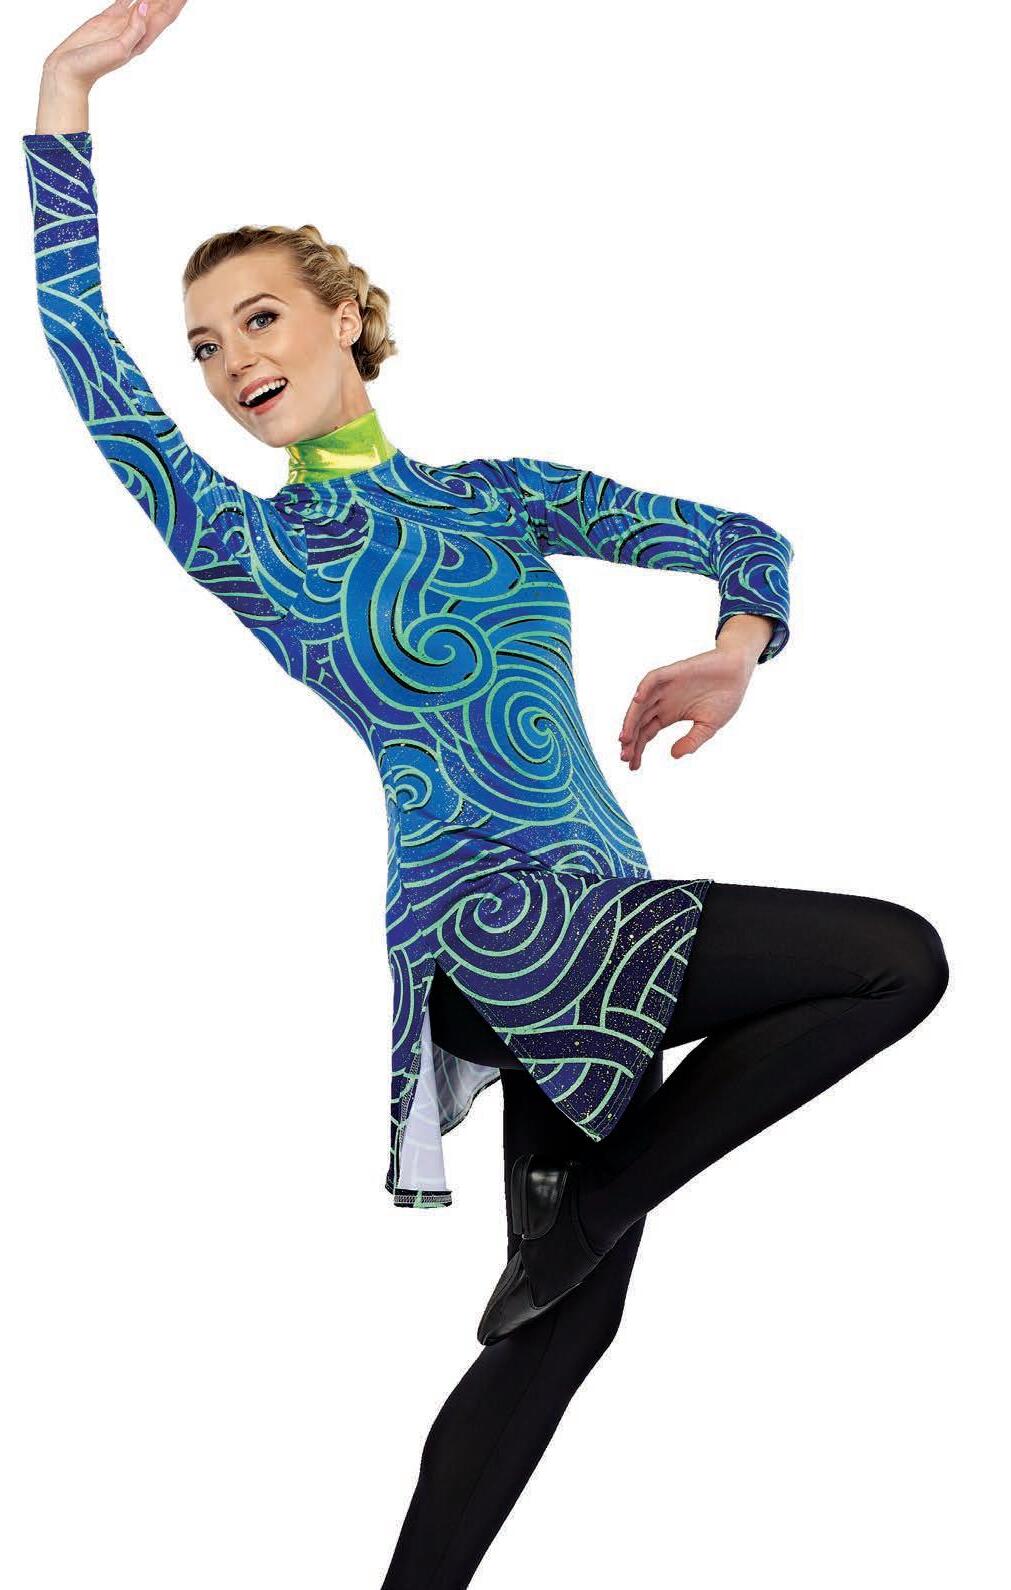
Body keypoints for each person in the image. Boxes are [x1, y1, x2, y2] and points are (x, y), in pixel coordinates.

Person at [25, 5, 949, 1586]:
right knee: (893, 958)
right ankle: (594, 1207)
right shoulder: (249, 540)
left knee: (558, 1335)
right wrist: (61, 92)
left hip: (598, 915)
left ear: (343, 319)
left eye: (259, 318)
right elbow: (78, 342)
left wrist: (735, 650)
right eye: (208, 347)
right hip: (493, 924)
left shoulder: (497, 497)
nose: (232, 362)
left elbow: (740, 535)